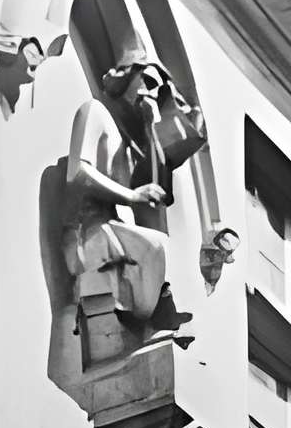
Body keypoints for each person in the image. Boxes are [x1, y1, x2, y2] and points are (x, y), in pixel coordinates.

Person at [60, 53, 207, 368]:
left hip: (111, 232)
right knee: (156, 247)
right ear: (128, 76)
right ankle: (150, 317)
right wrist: (130, 196)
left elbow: (159, 187)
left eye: (160, 92)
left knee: (166, 252)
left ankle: (155, 317)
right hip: (87, 233)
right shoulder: (95, 112)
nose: (153, 94)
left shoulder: (130, 142)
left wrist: (150, 127)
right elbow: (78, 173)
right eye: (150, 83)